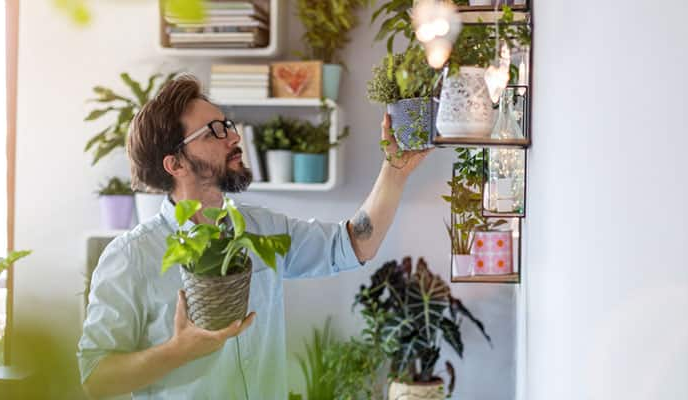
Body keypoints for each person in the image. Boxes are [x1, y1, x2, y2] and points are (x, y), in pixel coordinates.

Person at [77, 75, 430, 399]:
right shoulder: (130, 257)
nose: (234, 136)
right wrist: (178, 351)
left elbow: (354, 244)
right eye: (215, 131)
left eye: (227, 125)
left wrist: (394, 172)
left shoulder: (261, 230)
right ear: (176, 164)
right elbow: (95, 378)